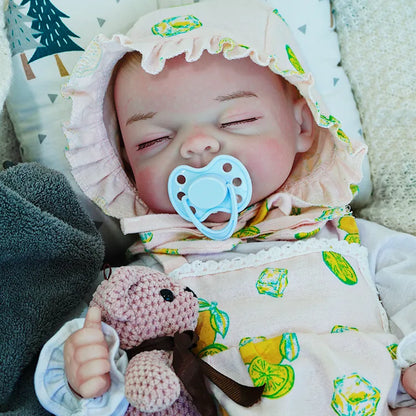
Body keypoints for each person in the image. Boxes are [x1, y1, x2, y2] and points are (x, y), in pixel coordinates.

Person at [34, 0, 416, 414]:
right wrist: (86, 372)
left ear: (302, 126)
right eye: (153, 141)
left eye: (235, 121)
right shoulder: (146, 278)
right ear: (126, 165)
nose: (197, 145)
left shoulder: (344, 234)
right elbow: (132, 377)